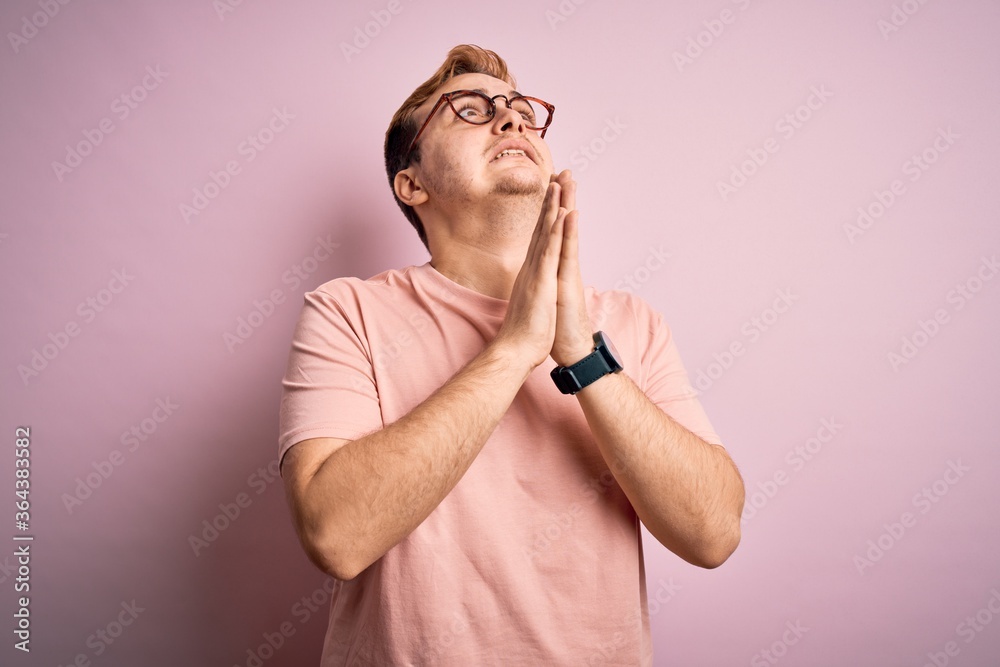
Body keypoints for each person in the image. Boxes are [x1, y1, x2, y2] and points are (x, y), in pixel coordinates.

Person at [278, 44, 745, 666]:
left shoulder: (633, 324)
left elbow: (712, 533)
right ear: (411, 183)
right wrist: (516, 347)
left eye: (522, 111)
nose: (512, 120)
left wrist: (579, 352)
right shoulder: (348, 313)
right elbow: (336, 536)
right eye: (468, 111)